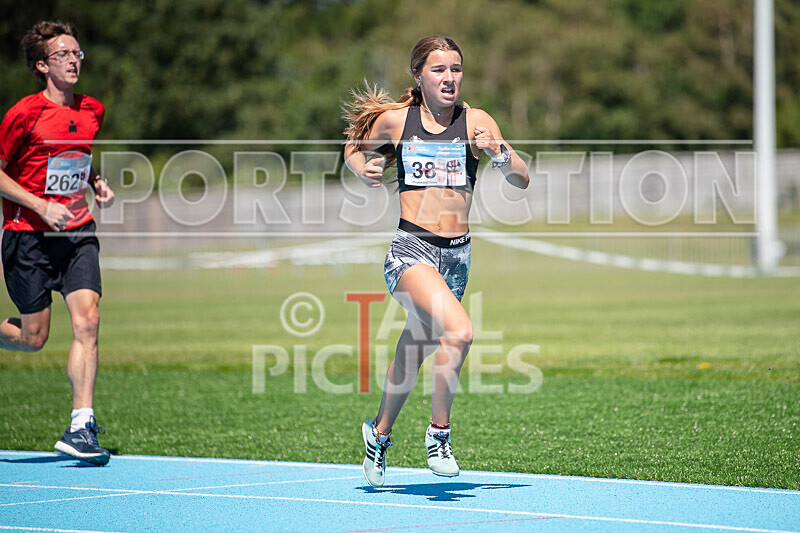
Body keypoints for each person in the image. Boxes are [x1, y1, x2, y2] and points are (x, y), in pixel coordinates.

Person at [343, 35, 530, 487]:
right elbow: (353, 147)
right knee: (461, 331)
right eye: (439, 70)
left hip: (457, 259)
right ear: (418, 76)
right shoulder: (395, 122)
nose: (450, 78)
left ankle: (379, 434)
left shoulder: (476, 120)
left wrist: (499, 154)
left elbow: (522, 178)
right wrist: (362, 168)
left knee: (415, 350)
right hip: (411, 252)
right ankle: (439, 434)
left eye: (456, 70)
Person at [0, 20, 115, 465]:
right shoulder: (22, 114)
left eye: (78, 53)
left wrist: (96, 181)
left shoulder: (92, 110)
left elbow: (76, 154)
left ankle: (81, 425)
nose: (74, 60)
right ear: (42, 65)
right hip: (27, 236)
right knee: (34, 337)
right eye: (64, 54)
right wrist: (40, 205)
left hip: (77, 232)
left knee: (88, 321)